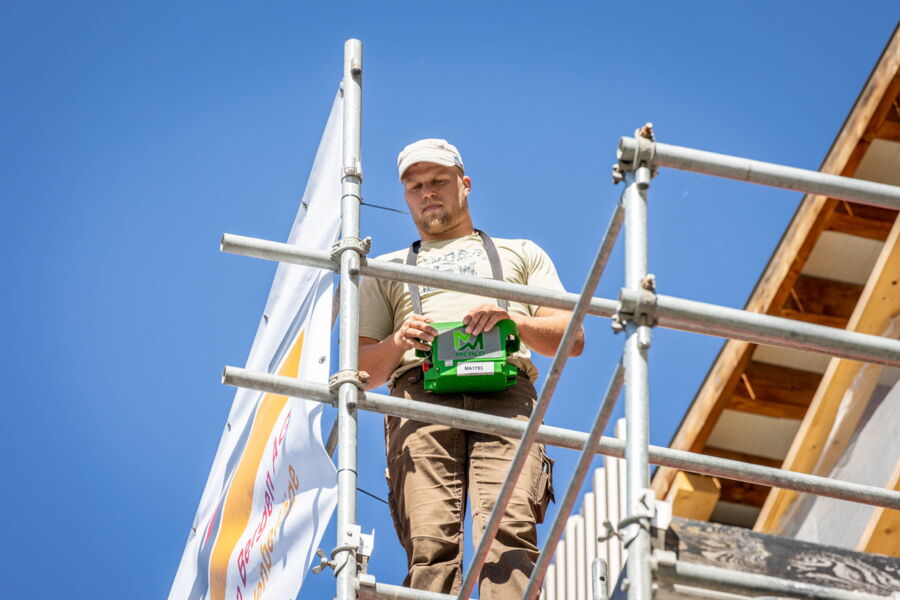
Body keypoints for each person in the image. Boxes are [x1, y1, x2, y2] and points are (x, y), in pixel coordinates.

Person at [358, 138, 584, 599]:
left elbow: (572, 338)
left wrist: (514, 323)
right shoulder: (386, 268)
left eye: (439, 180)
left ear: (465, 184)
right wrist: (401, 341)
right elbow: (359, 371)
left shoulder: (519, 252)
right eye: (415, 185)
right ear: (405, 196)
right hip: (418, 399)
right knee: (430, 544)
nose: (427, 192)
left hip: (505, 395)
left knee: (511, 533)